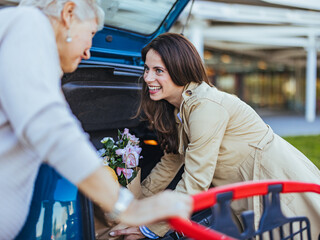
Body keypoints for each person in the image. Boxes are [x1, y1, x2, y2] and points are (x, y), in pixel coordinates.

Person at [0, 3, 193, 239]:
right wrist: (129, 207)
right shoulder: (27, 24)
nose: (88, 52)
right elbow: (49, 127)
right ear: (68, 13)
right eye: (91, 33)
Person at [110, 32, 320, 240]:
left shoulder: (205, 107)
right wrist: (132, 206)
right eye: (146, 69)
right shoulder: (179, 108)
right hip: (249, 189)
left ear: (180, 69)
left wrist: (150, 228)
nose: (147, 78)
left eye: (158, 70)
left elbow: (196, 180)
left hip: (274, 179)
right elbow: (171, 162)